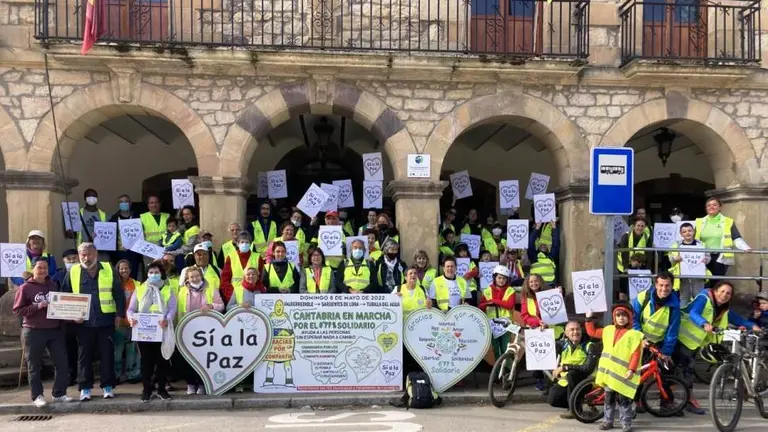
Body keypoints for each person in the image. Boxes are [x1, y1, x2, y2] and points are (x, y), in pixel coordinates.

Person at [676, 281, 761, 414]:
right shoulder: (704, 298)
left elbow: (737, 319)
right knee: (686, 370)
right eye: (722, 291)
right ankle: (686, 401)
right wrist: (704, 323)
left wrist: (752, 326)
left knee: (684, 370)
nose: (724, 295)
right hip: (681, 337)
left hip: (693, 342)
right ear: (715, 291)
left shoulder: (723, 308)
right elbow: (694, 313)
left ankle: (679, 403)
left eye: (728, 293)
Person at [60, 242, 125, 401]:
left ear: (95, 254)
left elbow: (118, 294)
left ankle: (108, 386)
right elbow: (65, 295)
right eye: (82, 255)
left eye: (89, 254)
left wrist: (119, 315)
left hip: (105, 320)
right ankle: (85, 388)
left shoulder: (108, 269)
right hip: (83, 323)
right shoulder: (73, 271)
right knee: (84, 356)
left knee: (107, 354)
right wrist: (71, 316)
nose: (86, 258)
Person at [13, 259, 73, 407]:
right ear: (33, 269)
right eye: (39, 268)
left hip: (54, 329)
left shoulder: (53, 285)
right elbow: (17, 310)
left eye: (45, 268)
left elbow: (59, 308)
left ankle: (59, 393)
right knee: (34, 365)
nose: (43, 271)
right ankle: (37, 395)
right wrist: (37, 306)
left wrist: (72, 318)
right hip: (33, 330)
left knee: (62, 363)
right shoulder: (25, 288)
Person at [585, 304, 644, 432]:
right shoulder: (608, 330)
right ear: (614, 317)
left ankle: (625, 423)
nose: (621, 318)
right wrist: (589, 319)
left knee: (624, 401)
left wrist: (631, 370)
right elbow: (592, 332)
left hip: (623, 375)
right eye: (618, 315)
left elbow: (636, 354)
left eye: (624, 315)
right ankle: (608, 421)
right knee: (609, 400)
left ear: (629, 318)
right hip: (609, 375)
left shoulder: (634, 335)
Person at [127, 261, 176, 402]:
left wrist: (167, 319)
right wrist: (131, 318)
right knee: (146, 362)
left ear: (162, 274)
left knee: (162, 361)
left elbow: (172, 308)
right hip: (144, 332)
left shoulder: (168, 289)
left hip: (162, 330)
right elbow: (131, 309)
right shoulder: (140, 289)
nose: (153, 275)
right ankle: (146, 390)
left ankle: (161, 389)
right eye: (151, 272)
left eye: (156, 272)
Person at [177, 265, 225, 395]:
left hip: (207, 330)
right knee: (188, 359)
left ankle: (203, 384)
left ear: (201, 276)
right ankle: (191, 384)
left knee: (204, 358)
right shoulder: (182, 291)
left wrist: (211, 306)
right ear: (187, 278)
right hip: (188, 328)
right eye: (192, 276)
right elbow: (178, 311)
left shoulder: (210, 289)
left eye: (197, 276)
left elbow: (221, 305)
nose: (195, 278)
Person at [520, 273, 563, 390]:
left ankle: (552, 379)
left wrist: (559, 295)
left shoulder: (549, 293)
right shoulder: (525, 297)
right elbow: (525, 315)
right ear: (527, 284)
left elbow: (557, 311)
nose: (534, 283)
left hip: (551, 329)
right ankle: (539, 380)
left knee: (551, 356)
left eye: (536, 281)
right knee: (537, 356)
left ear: (540, 282)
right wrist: (538, 322)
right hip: (535, 329)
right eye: (531, 282)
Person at [547, 321, 598, 418]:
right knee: (553, 398)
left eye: (578, 329)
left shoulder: (590, 346)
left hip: (586, 382)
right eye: (572, 330)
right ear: (566, 333)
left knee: (572, 374)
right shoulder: (563, 345)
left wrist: (565, 367)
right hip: (567, 382)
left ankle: (574, 409)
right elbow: (545, 343)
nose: (575, 332)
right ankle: (578, 405)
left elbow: (588, 369)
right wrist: (542, 330)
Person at [695, 197, 751, 281]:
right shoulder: (699, 222)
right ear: (706, 208)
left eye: (714, 205)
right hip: (703, 255)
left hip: (720, 256)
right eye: (709, 205)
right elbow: (691, 238)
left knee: (717, 281)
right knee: (704, 281)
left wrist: (745, 247)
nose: (711, 207)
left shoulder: (728, 221)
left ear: (720, 207)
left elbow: (736, 237)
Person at [631, 272, 680, 361]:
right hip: (637, 340)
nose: (664, 289)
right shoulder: (643, 297)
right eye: (661, 285)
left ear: (672, 286)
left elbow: (672, 332)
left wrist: (666, 352)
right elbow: (633, 319)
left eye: (667, 285)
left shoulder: (675, 306)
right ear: (656, 285)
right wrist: (640, 338)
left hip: (657, 345)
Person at [668, 222, 711, 306]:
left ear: (694, 231)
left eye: (689, 231)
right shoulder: (676, 245)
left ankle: (697, 313)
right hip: (682, 275)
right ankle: (683, 315)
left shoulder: (701, 244)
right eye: (684, 232)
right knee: (684, 296)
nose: (687, 233)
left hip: (698, 275)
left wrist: (706, 260)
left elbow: (708, 257)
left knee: (698, 295)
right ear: (681, 234)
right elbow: (670, 258)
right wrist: (675, 258)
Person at [478, 265, 516, 359]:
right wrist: (487, 304)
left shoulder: (510, 290)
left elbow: (510, 305)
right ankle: (498, 371)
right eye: (499, 277)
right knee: (495, 348)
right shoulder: (487, 291)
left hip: (506, 324)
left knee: (505, 348)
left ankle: (507, 370)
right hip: (492, 324)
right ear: (495, 278)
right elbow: (480, 307)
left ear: (507, 280)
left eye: (504, 278)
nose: (501, 280)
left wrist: (494, 301)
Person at [114, 260, 141, 385]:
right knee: (117, 351)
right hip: (118, 322)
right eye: (121, 268)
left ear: (130, 270)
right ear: (117, 270)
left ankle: (133, 374)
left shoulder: (137, 284)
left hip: (133, 322)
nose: (123, 271)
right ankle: (116, 374)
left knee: (133, 351)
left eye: (126, 268)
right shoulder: (113, 284)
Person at [220, 231, 263, 304]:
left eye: (247, 242)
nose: (244, 244)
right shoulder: (231, 257)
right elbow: (225, 279)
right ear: (237, 243)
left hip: (253, 296)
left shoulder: (257, 257)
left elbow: (261, 278)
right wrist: (231, 296)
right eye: (242, 242)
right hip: (234, 297)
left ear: (250, 244)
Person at [109, 194, 141, 279]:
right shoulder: (113, 218)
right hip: (119, 254)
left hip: (134, 253)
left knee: (133, 277)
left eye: (126, 201)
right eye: (121, 202)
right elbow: (109, 236)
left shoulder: (138, 217)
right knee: (119, 277)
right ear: (118, 204)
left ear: (130, 203)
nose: (124, 203)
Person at [528, 221, 560, 286]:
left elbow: (555, 244)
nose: (543, 245)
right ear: (538, 247)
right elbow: (531, 243)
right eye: (541, 244)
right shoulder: (534, 257)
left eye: (545, 245)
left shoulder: (551, 257)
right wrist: (537, 228)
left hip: (550, 284)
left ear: (548, 248)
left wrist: (554, 228)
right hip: (536, 285)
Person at [175, 205, 200, 271]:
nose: (185, 217)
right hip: (183, 255)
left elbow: (189, 248)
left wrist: (175, 251)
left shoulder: (195, 229)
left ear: (193, 215)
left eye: (188, 214)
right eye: (183, 214)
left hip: (189, 258)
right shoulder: (184, 227)